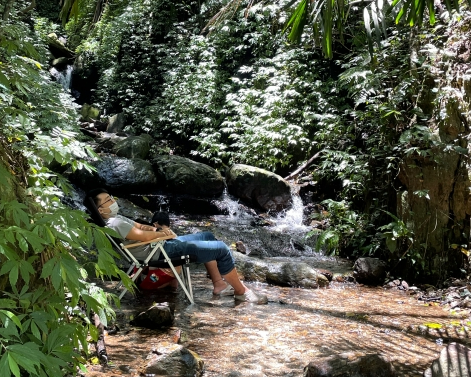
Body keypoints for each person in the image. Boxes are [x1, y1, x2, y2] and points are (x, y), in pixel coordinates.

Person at [84, 188, 268, 304]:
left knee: (207, 235)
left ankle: (219, 284)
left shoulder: (116, 219)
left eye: (111, 197)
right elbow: (144, 235)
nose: (113, 201)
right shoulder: (115, 225)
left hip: (161, 246)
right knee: (221, 248)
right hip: (159, 252)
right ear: (100, 210)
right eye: (108, 200)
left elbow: (140, 226)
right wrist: (163, 232)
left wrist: (157, 231)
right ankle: (241, 292)